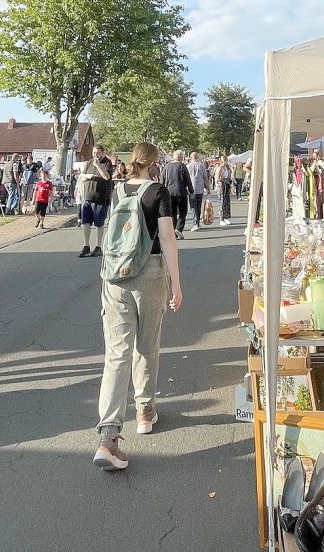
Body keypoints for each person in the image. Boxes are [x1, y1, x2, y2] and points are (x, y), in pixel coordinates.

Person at [93, 142, 183, 471]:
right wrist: (176, 281)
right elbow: (168, 238)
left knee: (117, 353)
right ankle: (145, 412)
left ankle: (109, 436)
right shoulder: (157, 192)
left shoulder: (118, 190)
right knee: (147, 344)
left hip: (115, 276)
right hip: (151, 272)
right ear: (154, 162)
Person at [78, 144, 114, 258]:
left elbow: (107, 177)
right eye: (94, 153)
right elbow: (82, 177)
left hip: (100, 197)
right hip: (88, 196)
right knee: (86, 222)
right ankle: (86, 245)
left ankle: (99, 246)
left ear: (102, 152)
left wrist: (98, 166)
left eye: (97, 153)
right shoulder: (89, 163)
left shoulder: (107, 162)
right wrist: (88, 176)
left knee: (99, 223)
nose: (95, 155)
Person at [160, 150, 193, 239]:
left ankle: (173, 231)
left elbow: (162, 180)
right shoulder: (182, 166)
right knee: (183, 212)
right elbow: (187, 180)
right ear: (181, 157)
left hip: (169, 193)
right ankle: (178, 228)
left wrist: (162, 191)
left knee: (173, 213)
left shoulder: (166, 167)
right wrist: (191, 191)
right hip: (181, 192)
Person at [186, 152, 209, 232]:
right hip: (200, 189)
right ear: (198, 157)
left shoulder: (188, 166)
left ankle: (195, 224)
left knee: (193, 207)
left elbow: (185, 178)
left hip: (191, 189)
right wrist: (208, 188)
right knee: (198, 206)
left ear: (191, 157)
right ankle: (197, 223)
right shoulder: (202, 166)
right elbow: (205, 178)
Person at [215, 155, 232, 226]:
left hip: (227, 186)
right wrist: (224, 180)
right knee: (221, 202)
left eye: (225, 160)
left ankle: (226, 217)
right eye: (223, 160)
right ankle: (221, 218)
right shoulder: (220, 168)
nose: (225, 162)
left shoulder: (227, 168)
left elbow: (230, 174)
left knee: (227, 201)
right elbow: (217, 179)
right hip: (221, 186)